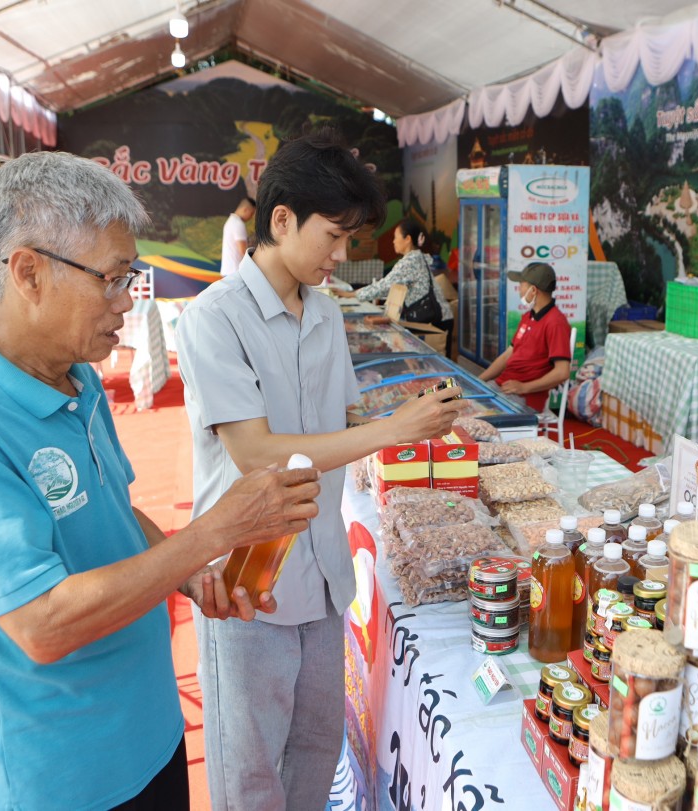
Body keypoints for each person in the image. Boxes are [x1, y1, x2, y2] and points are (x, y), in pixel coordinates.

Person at [0, 151, 321, 811]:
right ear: (28, 272)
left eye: (132, 277)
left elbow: (115, 511)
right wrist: (216, 529)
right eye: (113, 279)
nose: (128, 302)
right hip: (52, 777)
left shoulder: (80, 379)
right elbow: (42, 623)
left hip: (148, 736)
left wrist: (189, 572)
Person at [175, 131, 464, 811]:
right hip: (246, 583)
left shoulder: (328, 311)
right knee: (250, 775)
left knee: (315, 751)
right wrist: (392, 430)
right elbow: (258, 454)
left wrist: (406, 413)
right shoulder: (215, 318)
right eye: (334, 236)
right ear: (282, 220)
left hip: (325, 575)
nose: (343, 255)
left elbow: (343, 420)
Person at [478, 261, 572, 411]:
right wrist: (477, 381)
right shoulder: (528, 316)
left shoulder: (556, 323)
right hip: (501, 386)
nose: (519, 290)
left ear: (533, 290)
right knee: (453, 396)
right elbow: (507, 355)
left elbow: (562, 372)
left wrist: (524, 387)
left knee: (466, 413)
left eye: (521, 285)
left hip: (522, 399)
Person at [337, 217, 449, 329]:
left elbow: (383, 287)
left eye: (396, 237)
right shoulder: (418, 257)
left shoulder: (410, 262)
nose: (393, 241)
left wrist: (351, 294)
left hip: (434, 321)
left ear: (407, 239)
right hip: (440, 317)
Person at [221, 196, 255, 276]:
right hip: (235, 272)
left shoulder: (230, 221)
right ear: (245, 209)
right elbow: (242, 251)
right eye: (251, 213)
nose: (251, 217)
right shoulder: (238, 224)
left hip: (228, 271)